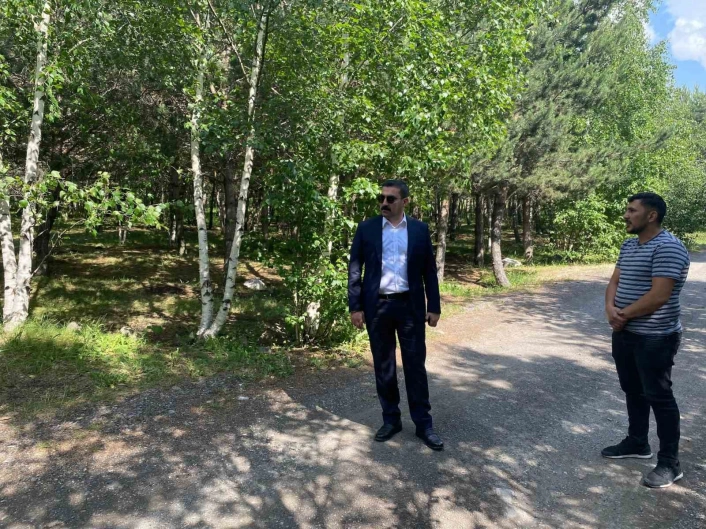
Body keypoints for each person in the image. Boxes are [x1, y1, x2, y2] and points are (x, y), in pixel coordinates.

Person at [602, 192, 690, 488]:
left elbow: (659, 296)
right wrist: (610, 310)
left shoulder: (668, 247)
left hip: (656, 337)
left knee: (659, 396)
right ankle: (638, 442)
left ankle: (670, 463)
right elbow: (614, 281)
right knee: (633, 390)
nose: (626, 215)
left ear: (651, 215)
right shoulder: (629, 245)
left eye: (632, 210)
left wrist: (622, 315)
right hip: (625, 333)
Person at [347, 179, 443, 450]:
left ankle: (424, 425)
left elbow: (429, 271)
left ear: (405, 202)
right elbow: (355, 269)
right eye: (381, 198)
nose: (384, 203)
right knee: (384, 366)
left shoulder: (419, 230)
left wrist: (434, 306)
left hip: (410, 307)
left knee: (415, 366)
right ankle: (391, 420)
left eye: (390, 199)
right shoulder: (366, 229)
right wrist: (355, 307)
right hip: (377, 307)